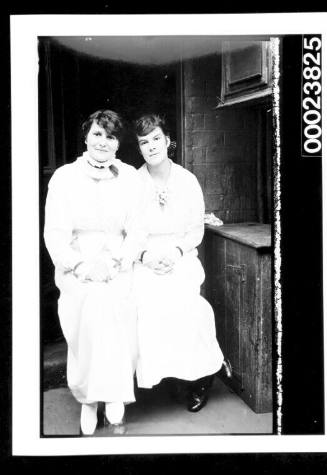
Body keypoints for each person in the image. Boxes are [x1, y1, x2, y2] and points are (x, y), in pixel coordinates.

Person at [44, 110, 143, 435]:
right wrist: (82, 265)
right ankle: (88, 399)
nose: (103, 141)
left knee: (116, 311)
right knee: (89, 311)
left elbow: (138, 231)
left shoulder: (129, 177)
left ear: (118, 143)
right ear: (86, 136)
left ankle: (113, 396)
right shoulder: (64, 177)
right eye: (98, 134)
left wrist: (116, 262)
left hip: (118, 262)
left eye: (111, 136)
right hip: (78, 265)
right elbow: (55, 234)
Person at [133, 114, 232, 412]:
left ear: (167, 141)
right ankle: (168, 376)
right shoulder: (132, 182)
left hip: (180, 256)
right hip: (146, 260)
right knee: (144, 307)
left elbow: (195, 231)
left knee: (187, 308)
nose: (151, 147)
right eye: (143, 142)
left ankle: (200, 378)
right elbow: (128, 231)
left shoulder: (187, 180)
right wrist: (145, 257)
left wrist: (175, 253)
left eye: (155, 139)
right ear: (139, 148)